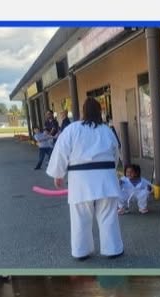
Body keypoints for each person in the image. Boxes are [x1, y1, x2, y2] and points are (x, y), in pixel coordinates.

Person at [46, 97, 124, 261]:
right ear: (99, 112)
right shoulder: (107, 130)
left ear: (83, 111)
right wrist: (110, 170)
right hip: (106, 178)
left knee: (80, 217)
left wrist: (58, 174)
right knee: (108, 215)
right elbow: (115, 155)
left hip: (81, 180)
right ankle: (113, 249)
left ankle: (81, 251)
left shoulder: (72, 129)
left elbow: (61, 152)